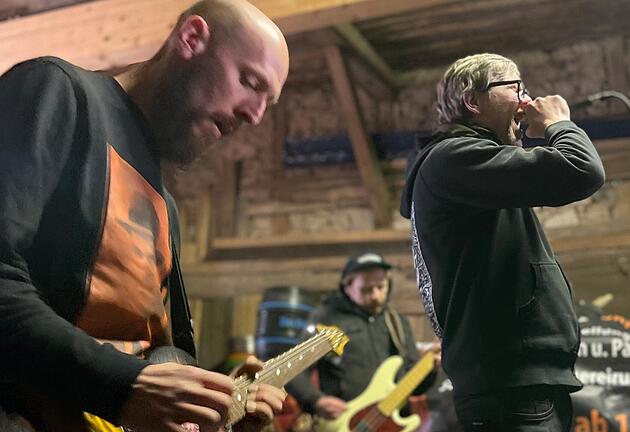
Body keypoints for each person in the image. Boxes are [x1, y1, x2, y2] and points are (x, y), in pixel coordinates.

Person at [0, 1, 290, 431]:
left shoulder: (164, 204)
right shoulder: (57, 92)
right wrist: (123, 387)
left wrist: (210, 405)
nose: (254, 115)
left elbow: (152, 357)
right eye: (250, 82)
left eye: (268, 102)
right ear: (191, 39)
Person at [399, 53, 606, 431]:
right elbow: (581, 170)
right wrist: (560, 123)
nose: (527, 102)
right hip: (510, 385)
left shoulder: (468, 166)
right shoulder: (454, 159)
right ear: (472, 100)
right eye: (516, 88)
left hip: (518, 381)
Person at [285, 252, 437, 420]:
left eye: (381, 287)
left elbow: (414, 386)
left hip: (394, 424)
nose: (375, 296)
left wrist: (431, 370)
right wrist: (316, 401)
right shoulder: (327, 320)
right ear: (347, 286)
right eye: (366, 289)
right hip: (347, 423)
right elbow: (294, 372)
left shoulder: (397, 323)